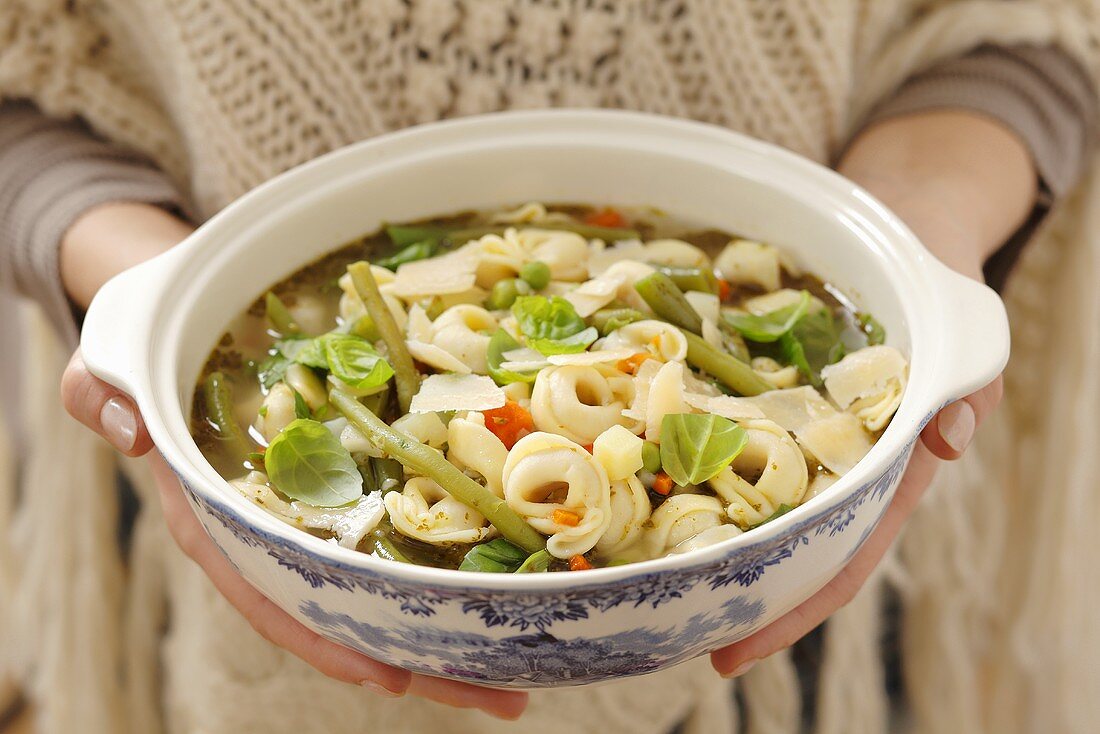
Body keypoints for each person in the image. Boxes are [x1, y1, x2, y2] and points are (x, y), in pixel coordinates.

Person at [1, 3, 1097, 733]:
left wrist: (917, 241)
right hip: (257, 642)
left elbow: (1024, 26)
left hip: (804, 644)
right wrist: (157, 300)